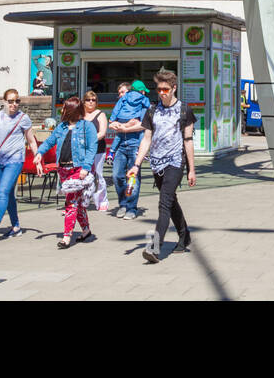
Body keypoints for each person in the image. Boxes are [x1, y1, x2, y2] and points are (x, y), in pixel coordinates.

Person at [127, 69, 196, 263]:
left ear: (174, 88)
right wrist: (136, 165)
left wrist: (191, 169)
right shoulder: (152, 110)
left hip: (175, 161)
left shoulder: (185, 110)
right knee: (170, 200)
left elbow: (188, 141)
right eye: (159, 89)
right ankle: (184, 235)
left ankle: (155, 248)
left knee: (164, 203)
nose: (162, 93)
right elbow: (146, 139)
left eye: (165, 89)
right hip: (156, 163)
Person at [0, 88, 39, 243]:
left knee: (2, 192)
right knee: (9, 194)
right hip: (0, 161)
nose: (14, 104)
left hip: (15, 160)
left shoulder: (23, 118)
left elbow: (31, 141)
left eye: (17, 101)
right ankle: (16, 226)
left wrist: (38, 158)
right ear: (4, 102)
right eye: (10, 101)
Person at [35, 95, 98, 248]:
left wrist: (86, 167)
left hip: (78, 170)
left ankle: (66, 236)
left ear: (71, 110)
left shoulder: (87, 127)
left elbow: (92, 147)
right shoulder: (62, 127)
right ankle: (86, 230)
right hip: (63, 170)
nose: (62, 109)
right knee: (78, 204)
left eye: (64, 107)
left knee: (71, 203)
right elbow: (50, 141)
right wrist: (39, 153)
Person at [109, 80, 150, 220]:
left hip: (132, 145)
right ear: (142, 91)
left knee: (129, 177)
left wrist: (123, 127)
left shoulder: (127, 102)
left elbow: (144, 124)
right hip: (124, 144)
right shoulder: (143, 101)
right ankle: (125, 204)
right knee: (118, 176)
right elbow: (142, 124)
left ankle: (130, 207)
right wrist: (128, 124)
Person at [83, 91, 110, 213]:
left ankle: (102, 201)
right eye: (88, 99)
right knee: (82, 175)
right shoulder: (80, 115)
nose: (90, 102)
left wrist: (89, 140)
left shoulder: (100, 114)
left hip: (98, 149)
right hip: (83, 150)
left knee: (98, 175)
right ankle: (83, 201)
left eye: (93, 100)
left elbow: (102, 132)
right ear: (84, 101)